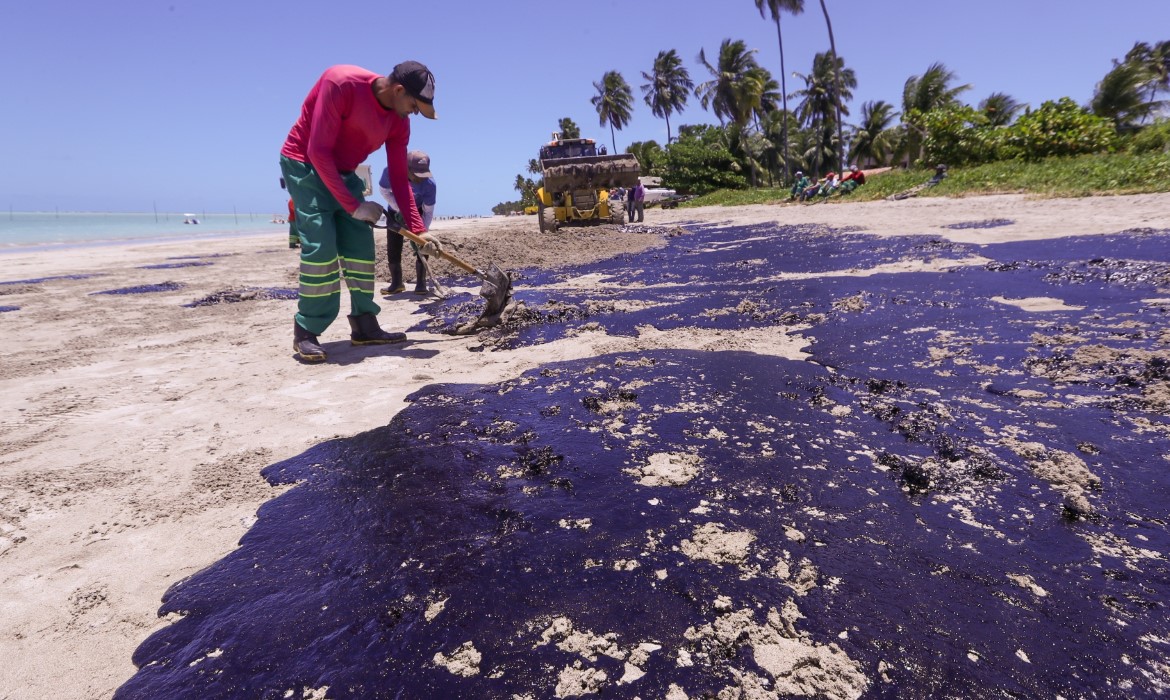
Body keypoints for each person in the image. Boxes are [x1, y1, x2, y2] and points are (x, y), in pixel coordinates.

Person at [279, 61, 441, 363]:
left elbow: (398, 178)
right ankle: (306, 332)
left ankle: (365, 324)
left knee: (360, 247)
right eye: (414, 105)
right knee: (322, 249)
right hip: (304, 164)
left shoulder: (399, 122)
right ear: (398, 89)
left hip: (343, 170)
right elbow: (317, 151)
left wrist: (420, 230)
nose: (414, 112)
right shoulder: (341, 83)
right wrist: (354, 206)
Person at [380, 150, 436, 295]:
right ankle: (397, 283)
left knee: (423, 245)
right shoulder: (390, 172)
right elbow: (384, 191)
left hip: (418, 212)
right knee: (393, 246)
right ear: (407, 169)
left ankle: (421, 283)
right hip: (395, 209)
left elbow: (428, 211)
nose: (420, 178)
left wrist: (423, 232)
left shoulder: (429, 184)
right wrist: (401, 210)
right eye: (417, 174)